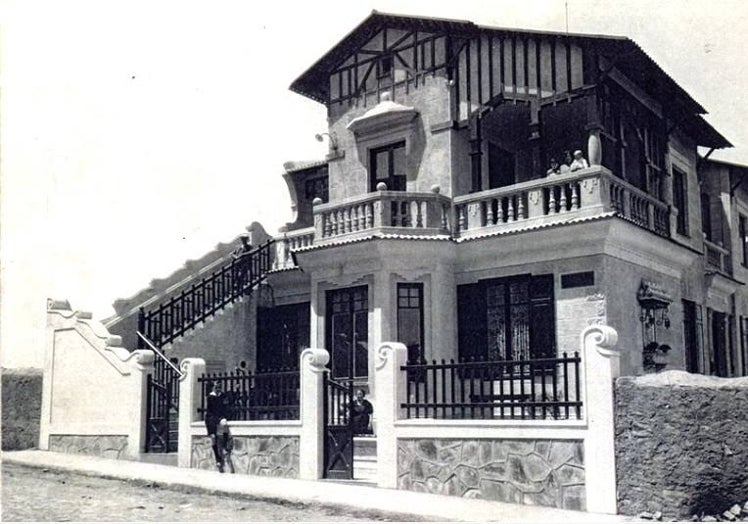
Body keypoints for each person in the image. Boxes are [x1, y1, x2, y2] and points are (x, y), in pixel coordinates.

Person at [205, 381, 230, 472]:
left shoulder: (222, 396)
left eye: (219, 387)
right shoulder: (210, 397)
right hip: (211, 418)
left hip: (220, 416)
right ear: (213, 388)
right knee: (213, 437)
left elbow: (225, 406)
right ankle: (218, 459)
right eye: (216, 387)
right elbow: (209, 411)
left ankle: (224, 446)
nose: (218, 389)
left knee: (225, 424)